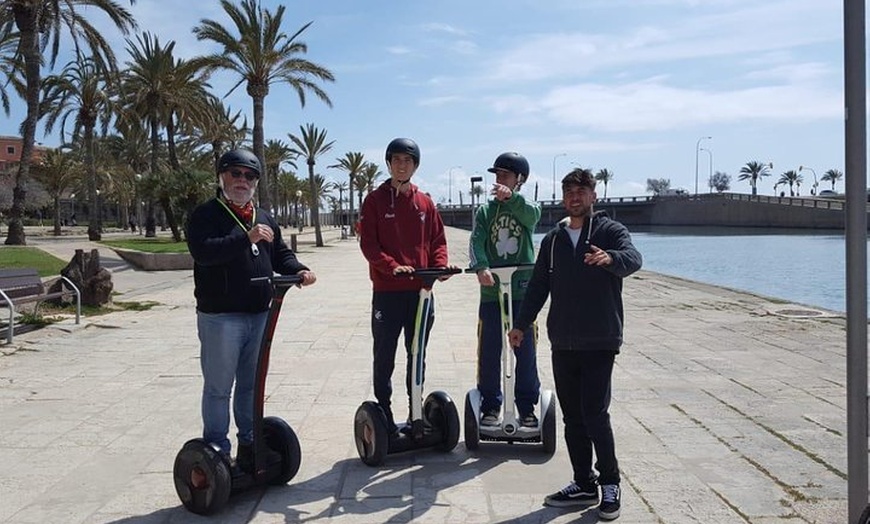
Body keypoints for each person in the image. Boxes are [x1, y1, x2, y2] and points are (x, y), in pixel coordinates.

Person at [509, 167, 642, 521]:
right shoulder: (553, 241)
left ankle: (610, 482)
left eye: (581, 190)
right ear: (563, 197)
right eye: (569, 191)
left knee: (595, 414)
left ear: (593, 196)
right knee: (572, 419)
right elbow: (538, 286)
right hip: (563, 343)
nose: (575, 196)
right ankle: (583, 482)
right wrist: (521, 324)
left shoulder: (610, 231)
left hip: (600, 340)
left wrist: (611, 258)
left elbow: (634, 258)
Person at [187, 148, 316, 471]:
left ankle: (249, 443)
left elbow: (279, 254)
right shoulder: (206, 215)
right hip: (221, 317)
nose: (242, 181)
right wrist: (246, 238)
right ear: (222, 176)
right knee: (219, 387)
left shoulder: (263, 216)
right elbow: (204, 253)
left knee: (250, 384)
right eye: (236, 173)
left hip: (260, 313)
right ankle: (217, 449)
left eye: (249, 175)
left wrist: (299, 270)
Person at [358, 137, 455, 434]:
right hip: (388, 293)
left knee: (417, 353)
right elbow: (370, 245)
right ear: (388, 163)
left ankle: (416, 410)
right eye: (397, 160)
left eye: (408, 161)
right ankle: (383, 409)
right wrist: (392, 267)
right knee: (385, 353)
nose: (402, 165)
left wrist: (440, 267)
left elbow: (438, 240)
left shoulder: (424, 202)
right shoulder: (374, 201)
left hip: (421, 294)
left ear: (415, 165)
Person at [468, 152, 541, 428]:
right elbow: (476, 242)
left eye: (505, 176)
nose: (499, 181)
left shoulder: (528, 208)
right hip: (492, 293)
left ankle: (527, 406)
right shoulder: (485, 211)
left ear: (519, 180)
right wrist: (481, 267)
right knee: (489, 351)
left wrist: (511, 198)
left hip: (523, 292)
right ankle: (490, 405)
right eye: (497, 176)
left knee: (525, 352)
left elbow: (531, 217)